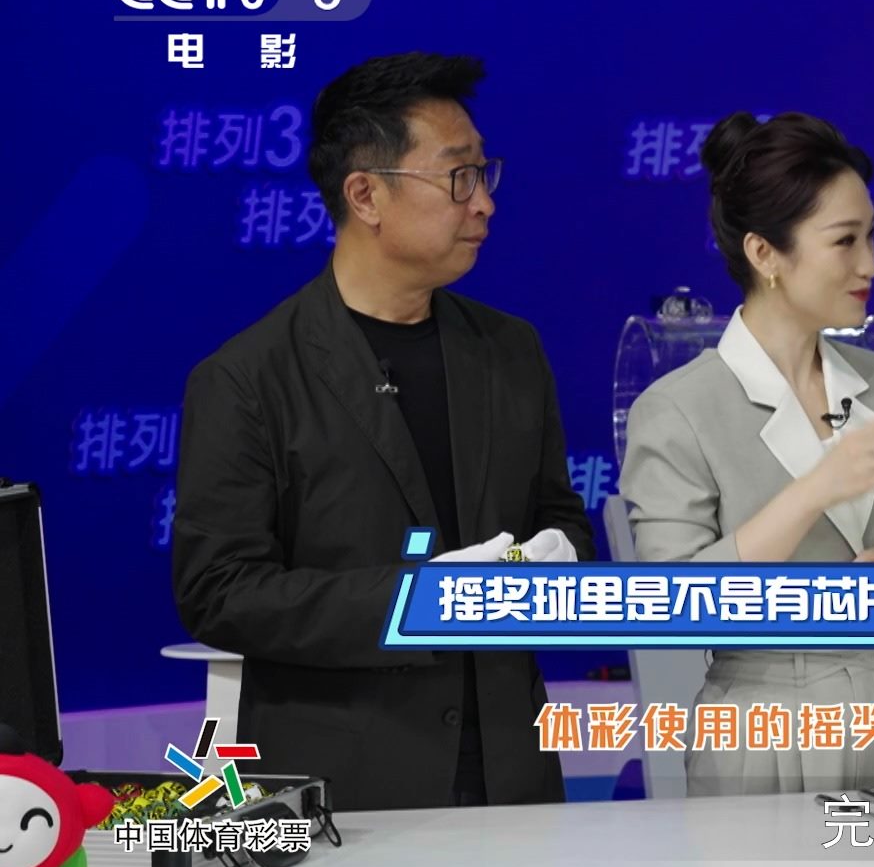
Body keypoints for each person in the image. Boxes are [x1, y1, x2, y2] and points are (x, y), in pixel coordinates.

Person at [172, 52, 594, 813]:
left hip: (514, 776)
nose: (484, 204)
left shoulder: (509, 351)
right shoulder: (248, 377)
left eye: (485, 174)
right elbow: (221, 592)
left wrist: (554, 561)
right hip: (344, 788)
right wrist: (421, 602)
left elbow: (560, 518)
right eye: (458, 177)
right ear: (365, 194)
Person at [618, 111, 874, 798]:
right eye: (844, 241)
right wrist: (814, 490)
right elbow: (671, 610)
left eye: (872, 235)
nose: (870, 265)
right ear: (765, 254)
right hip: (761, 725)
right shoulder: (678, 408)